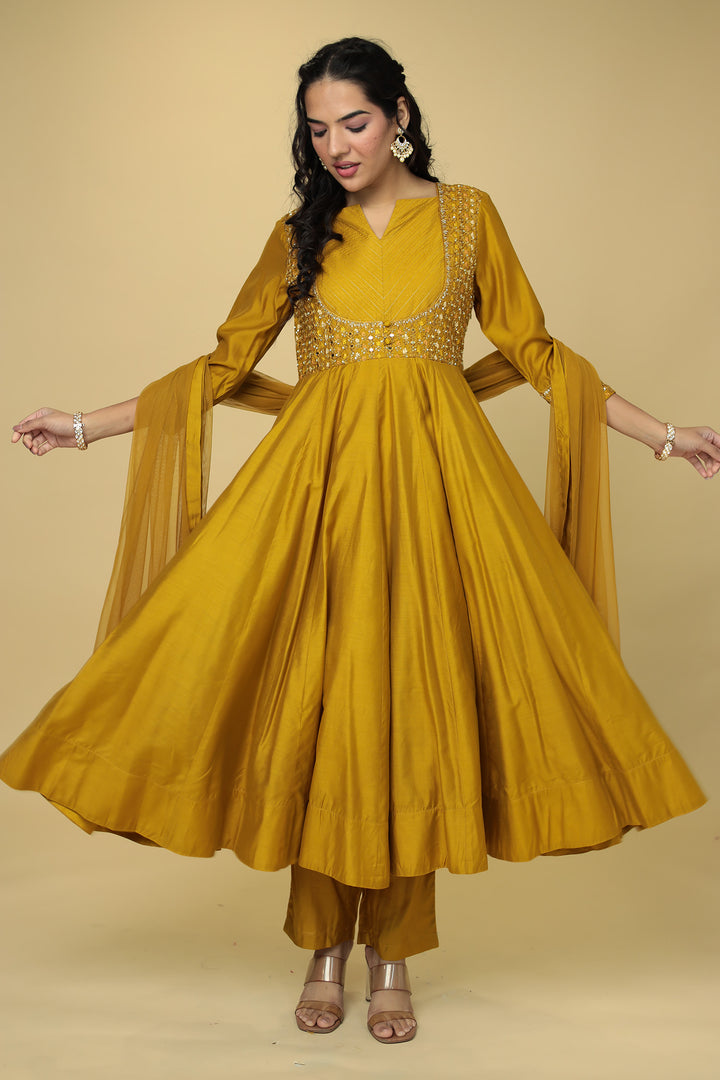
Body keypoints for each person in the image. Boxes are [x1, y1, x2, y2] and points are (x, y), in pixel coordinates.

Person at [2, 37, 717, 1046]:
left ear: (398, 118)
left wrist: (667, 437)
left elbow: (537, 352)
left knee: (413, 713)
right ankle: (323, 949)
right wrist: (84, 426)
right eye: (318, 128)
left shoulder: (467, 217)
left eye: (355, 121)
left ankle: (393, 958)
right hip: (317, 499)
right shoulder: (299, 235)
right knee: (321, 712)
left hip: (440, 501)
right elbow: (222, 365)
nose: (337, 144)